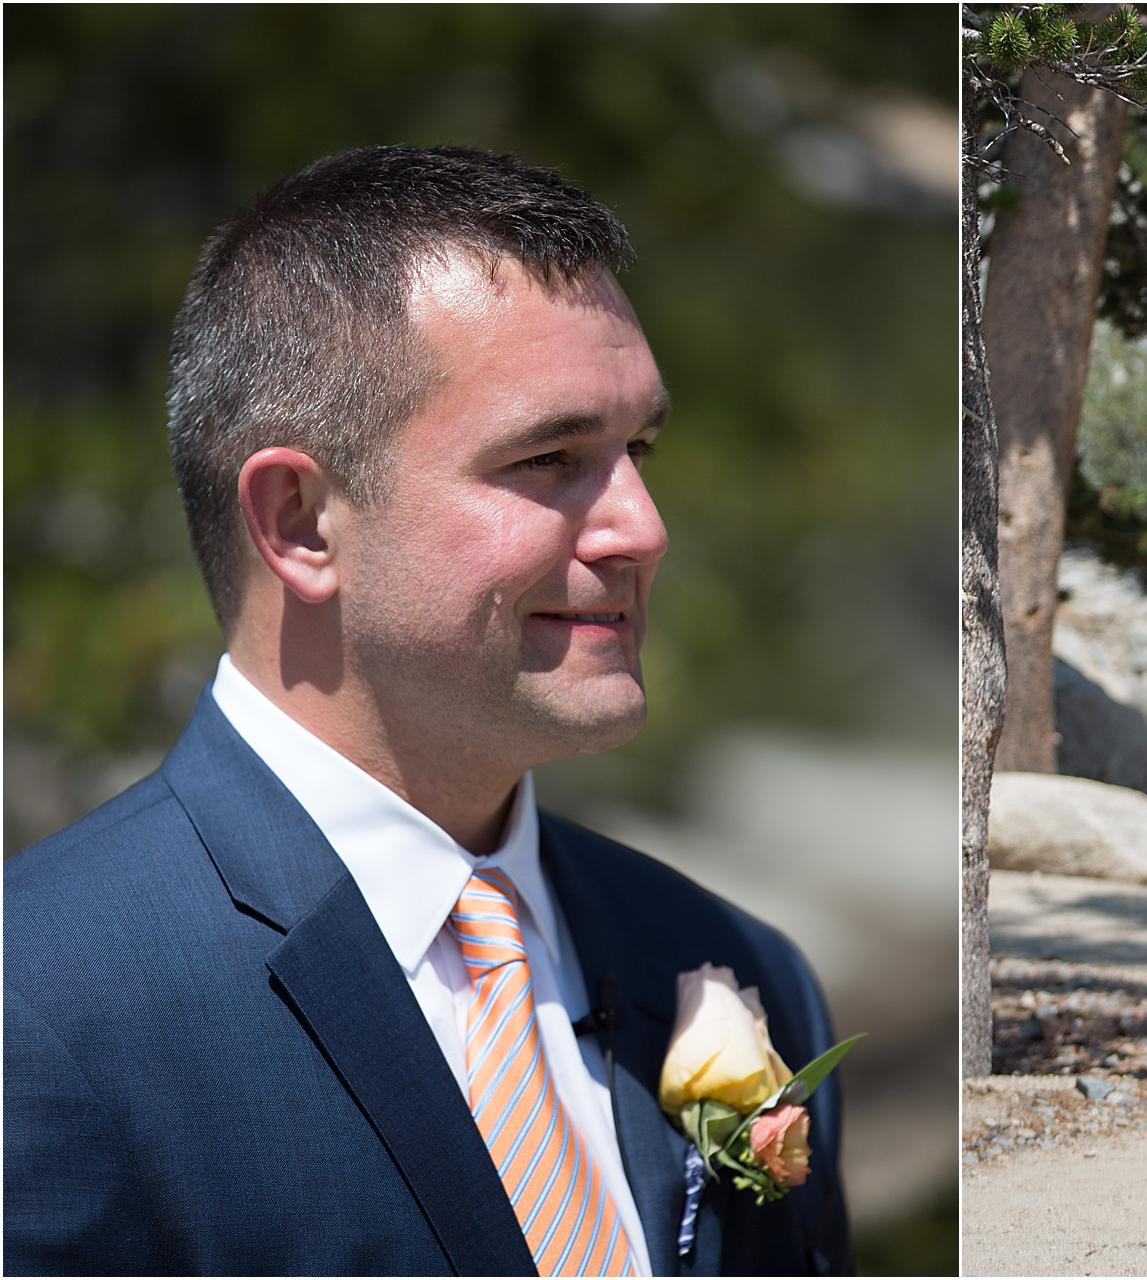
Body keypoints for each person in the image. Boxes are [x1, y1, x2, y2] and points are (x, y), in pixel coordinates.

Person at [5, 145, 851, 1275]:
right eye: (550, 457)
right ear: (301, 520)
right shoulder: (42, 1005)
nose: (642, 527)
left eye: (636, 448)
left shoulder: (734, 965)